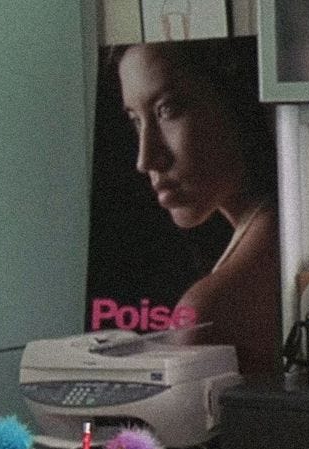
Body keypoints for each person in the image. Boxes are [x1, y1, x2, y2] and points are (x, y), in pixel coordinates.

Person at [114, 40, 280, 374]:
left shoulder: (204, 314)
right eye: (136, 120)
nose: (146, 159)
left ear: (234, 97)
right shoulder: (284, 232)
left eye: (168, 111)